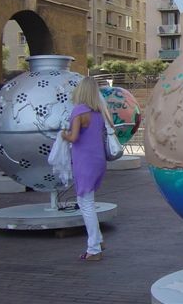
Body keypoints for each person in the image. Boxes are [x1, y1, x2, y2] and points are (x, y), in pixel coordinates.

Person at [62, 77, 110, 261]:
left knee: (85, 203)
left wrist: (62, 135)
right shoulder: (99, 112)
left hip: (84, 161)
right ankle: (98, 240)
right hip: (98, 160)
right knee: (88, 201)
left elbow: (74, 137)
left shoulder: (79, 111)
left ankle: (94, 249)